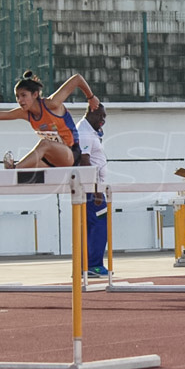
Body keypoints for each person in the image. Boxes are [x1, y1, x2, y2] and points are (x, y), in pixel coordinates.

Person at [0, 70, 99, 169]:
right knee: (29, 165)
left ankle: (15, 168)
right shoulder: (26, 113)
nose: (20, 100)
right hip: (49, 160)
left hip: (70, 154)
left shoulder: (52, 104)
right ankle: (16, 169)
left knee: (44, 144)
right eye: (17, 97)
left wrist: (91, 97)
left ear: (35, 94)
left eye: (23, 96)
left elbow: (77, 78)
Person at [77, 103, 109, 277]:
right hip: (91, 189)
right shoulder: (84, 132)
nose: (103, 120)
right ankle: (93, 265)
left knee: (90, 226)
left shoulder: (89, 130)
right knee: (98, 225)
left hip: (92, 186)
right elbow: (84, 160)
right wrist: (95, 189)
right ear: (91, 112)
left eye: (105, 117)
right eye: (100, 116)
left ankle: (85, 265)